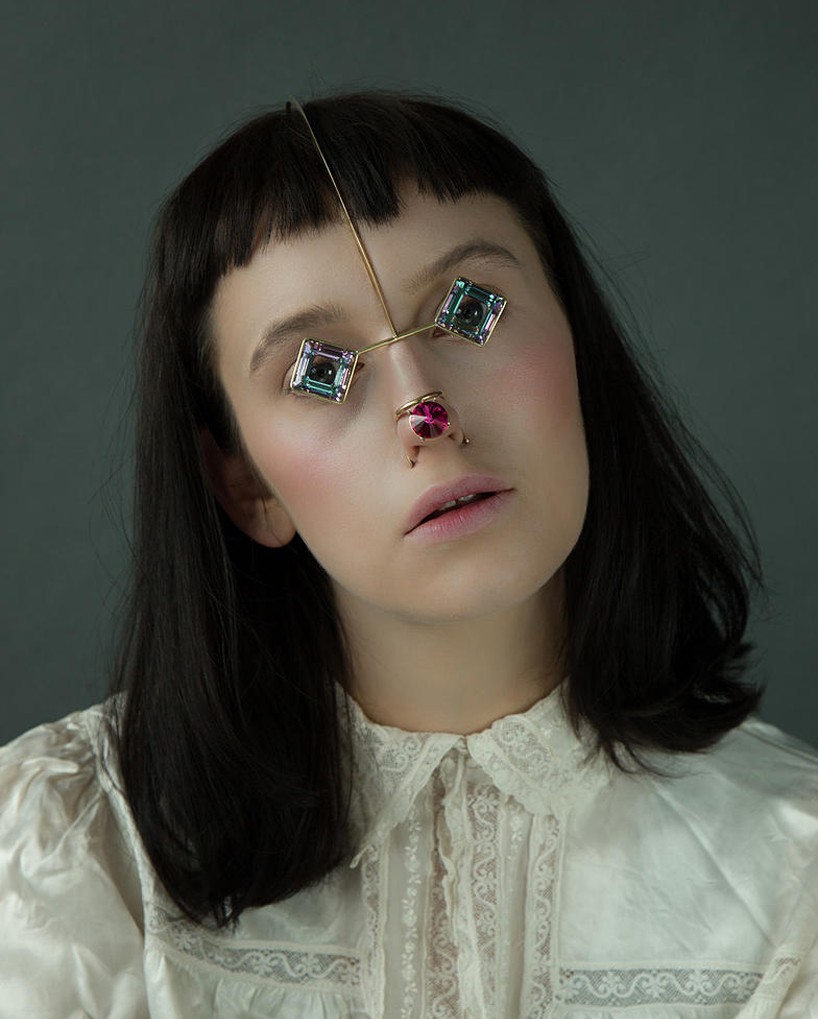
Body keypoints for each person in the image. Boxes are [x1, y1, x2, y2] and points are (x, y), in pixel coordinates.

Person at [0, 92, 816, 1019]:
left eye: (470, 311)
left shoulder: (794, 873)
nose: (425, 411)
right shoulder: (68, 856)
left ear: (580, 343)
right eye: (320, 370)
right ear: (245, 482)